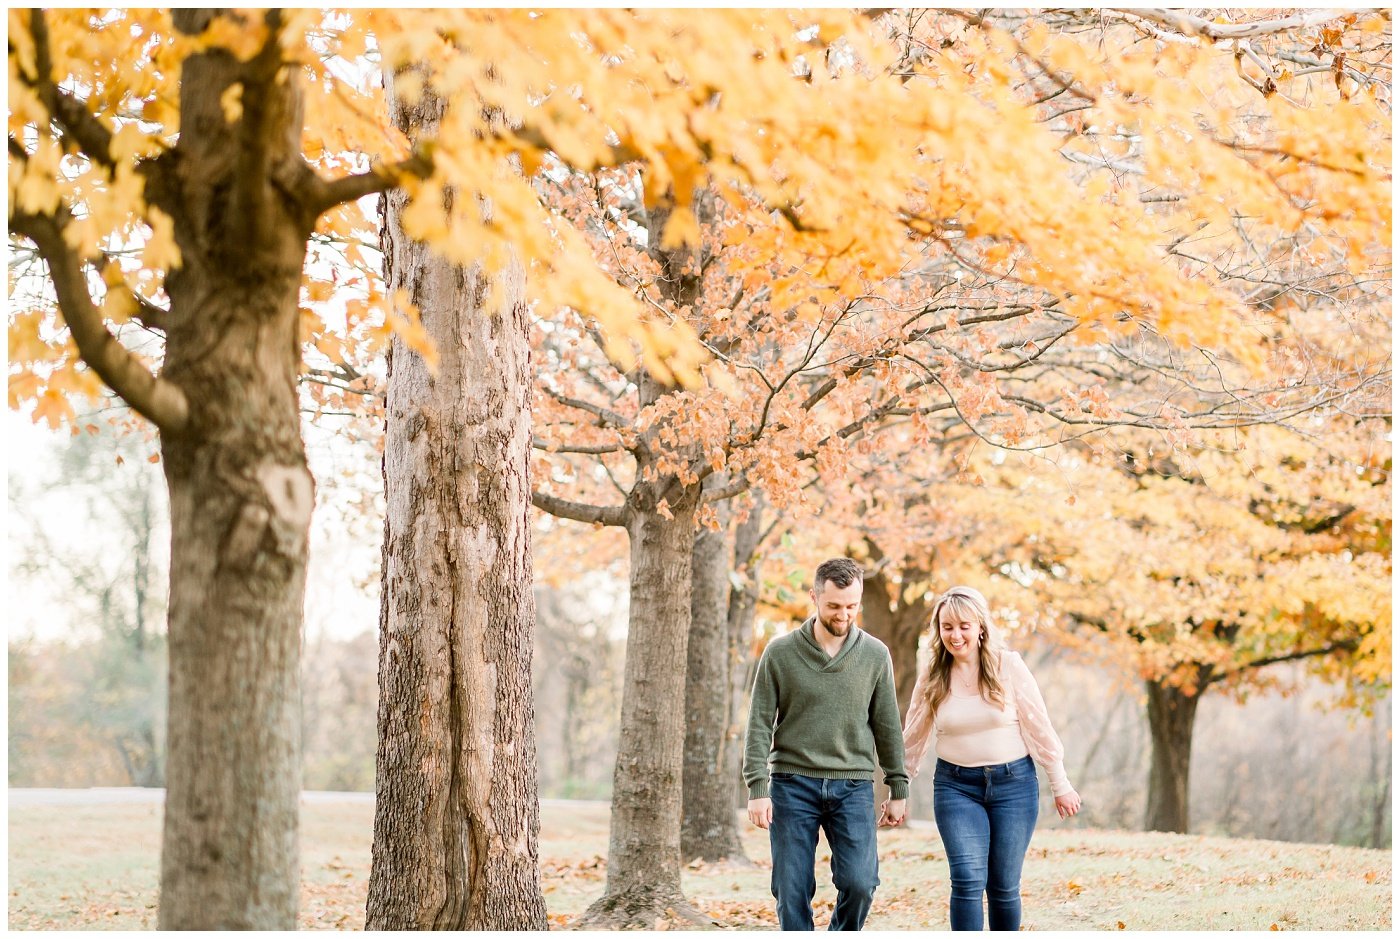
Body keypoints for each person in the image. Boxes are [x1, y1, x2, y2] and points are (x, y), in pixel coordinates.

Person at [896, 585, 1081, 932]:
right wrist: (899, 788)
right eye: (947, 627)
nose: (955, 635)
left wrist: (1061, 783)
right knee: (966, 879)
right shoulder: (933, 675)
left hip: (1014, 786)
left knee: (1003, 885)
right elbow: (914, 735)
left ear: (981, 627)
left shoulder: (1007, 665)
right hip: (956, 788)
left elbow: (1038, 725)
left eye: (964, 626)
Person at [743, 557, 909, 931]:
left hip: (852, 784)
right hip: (791, 782)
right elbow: (758, 724)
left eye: (852, 606)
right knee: (791, 888)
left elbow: (887, 725)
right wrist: (757, 787)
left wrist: (898, 786)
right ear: (814, 597)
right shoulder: (780, 653)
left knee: (861, 883)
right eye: (834, 606)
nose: (844, 614)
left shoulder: (875, 655)